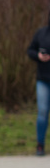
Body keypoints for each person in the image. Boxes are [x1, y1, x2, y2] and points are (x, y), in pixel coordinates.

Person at [27, 9, 50, 156]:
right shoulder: (41, 33)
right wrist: (38, 56)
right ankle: (40, 144)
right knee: (42, 112)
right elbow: (30, 50)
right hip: (43, 80)